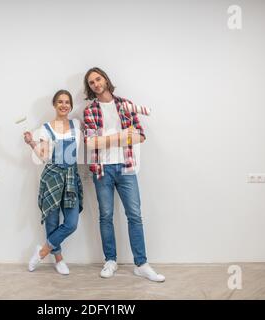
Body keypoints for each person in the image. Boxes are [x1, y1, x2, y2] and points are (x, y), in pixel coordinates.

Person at [83, 67, 165, 282]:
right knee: (106, 216)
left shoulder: (125, 105)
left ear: (106, 79)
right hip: (102, 169)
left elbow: (140, 136)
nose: (96, 84)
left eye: (98, 79)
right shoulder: (90, 110)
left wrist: (108, 139)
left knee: (135, 216)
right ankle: (110, 260)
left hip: (126, 167)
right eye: (91, 82)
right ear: (89, 87)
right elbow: (91, 143)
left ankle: (142, 264)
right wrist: (122, 135)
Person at [23, 89, 83, 275]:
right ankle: (58, 260)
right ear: (54, 105)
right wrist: (32, 143)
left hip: (71, 176)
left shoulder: (76, 124)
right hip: (52, 175)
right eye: (60, 102)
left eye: (67, 102)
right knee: (52, 220)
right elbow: (43, 156)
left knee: (71, 223)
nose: (64, 105)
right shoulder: (46, 128)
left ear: (71, 105)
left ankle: (42, 251)